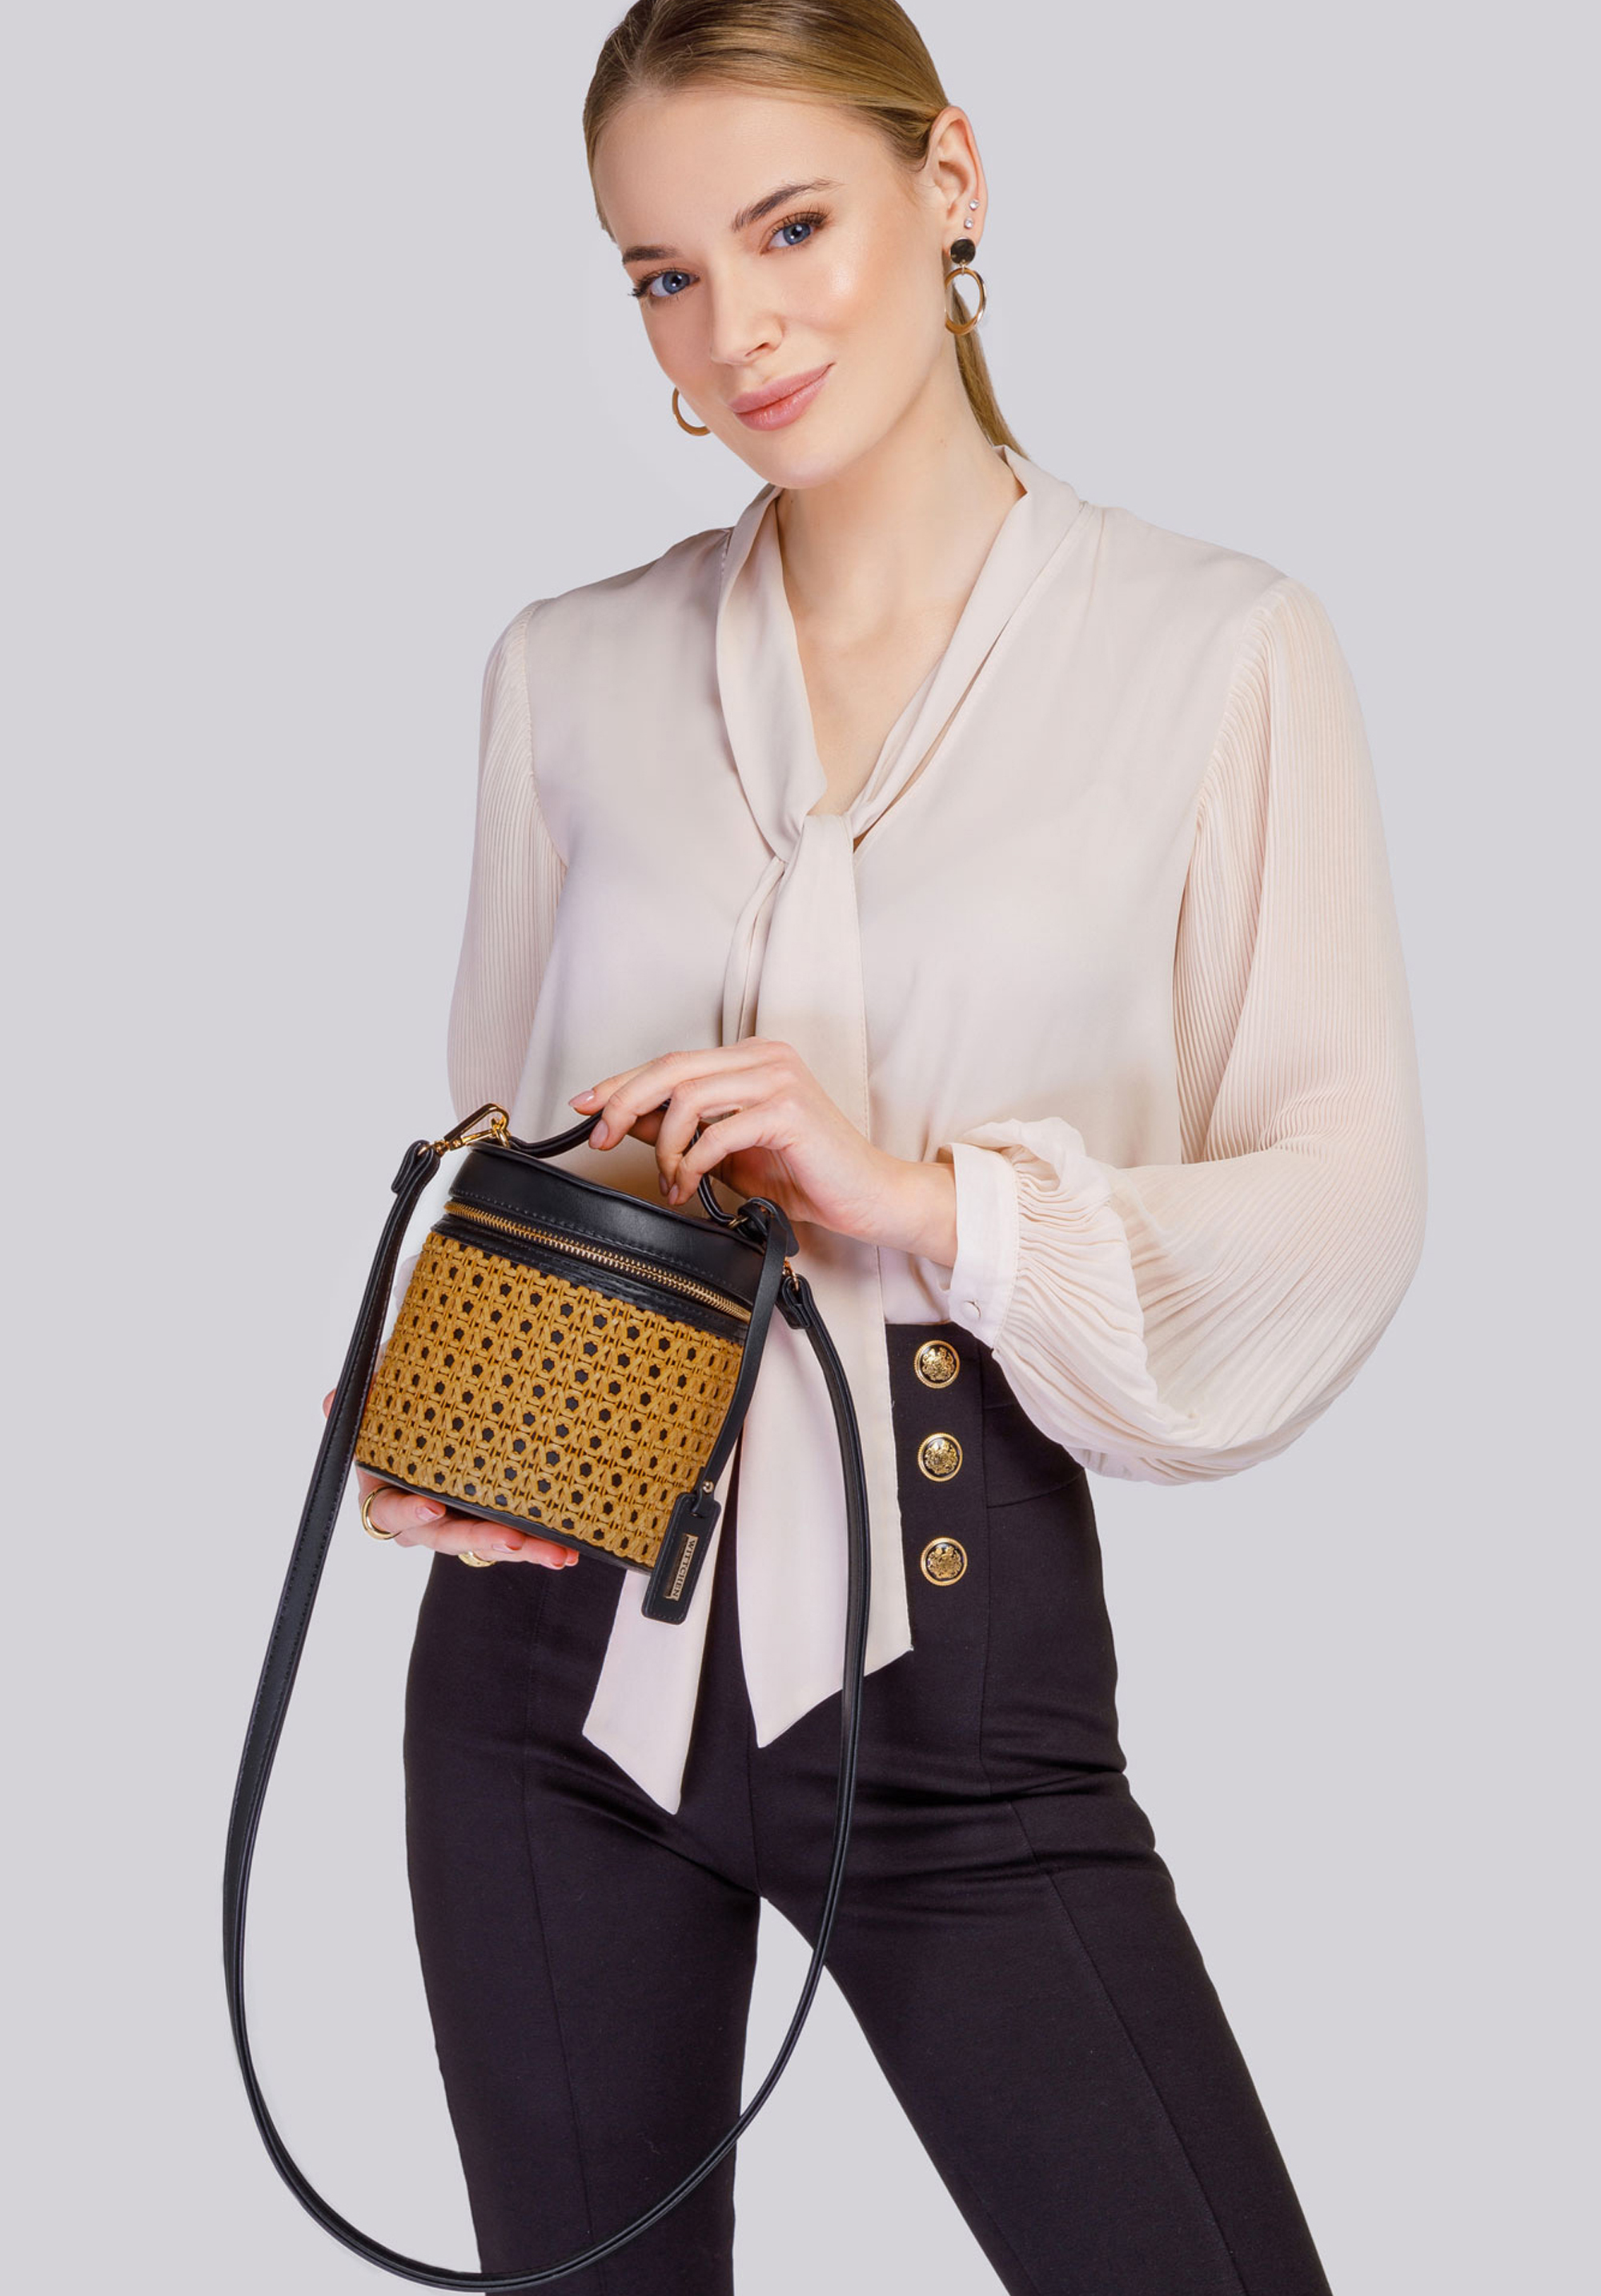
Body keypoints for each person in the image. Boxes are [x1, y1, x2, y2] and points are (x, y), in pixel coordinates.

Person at [347, 4, 1427, 2289]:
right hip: (543, 1675)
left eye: (790, 228)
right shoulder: (566, 670)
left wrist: (928, 1203)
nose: (732, 330)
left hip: (958, 1666)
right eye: (661, 273)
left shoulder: (1213, 653)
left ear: (950, 180)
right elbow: (505, 1143)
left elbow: (1346, 1192)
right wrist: (450, 1417)